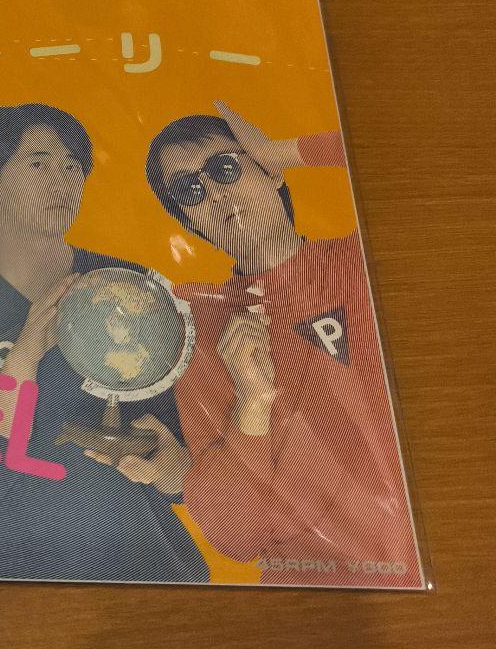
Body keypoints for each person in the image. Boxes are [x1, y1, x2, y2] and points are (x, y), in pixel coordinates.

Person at [0, 104, 209, 583]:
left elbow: (189, 461)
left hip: (152, 565)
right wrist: (24, 355)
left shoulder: (131, 287)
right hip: (15, 575)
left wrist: (168, 467)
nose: (62, 183)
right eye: (39, 164)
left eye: (72, 168)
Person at [137, 101, 421, 587]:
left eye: (224, 168)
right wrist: (250, 405)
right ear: (190, 222)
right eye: (189, 190)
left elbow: (426, 158)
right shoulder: (199, 327)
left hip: (442, 551)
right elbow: (236, 536)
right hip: (318, 592)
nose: (213, 192)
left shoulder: (360, 259)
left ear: (269, 173)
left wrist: (287, 152)